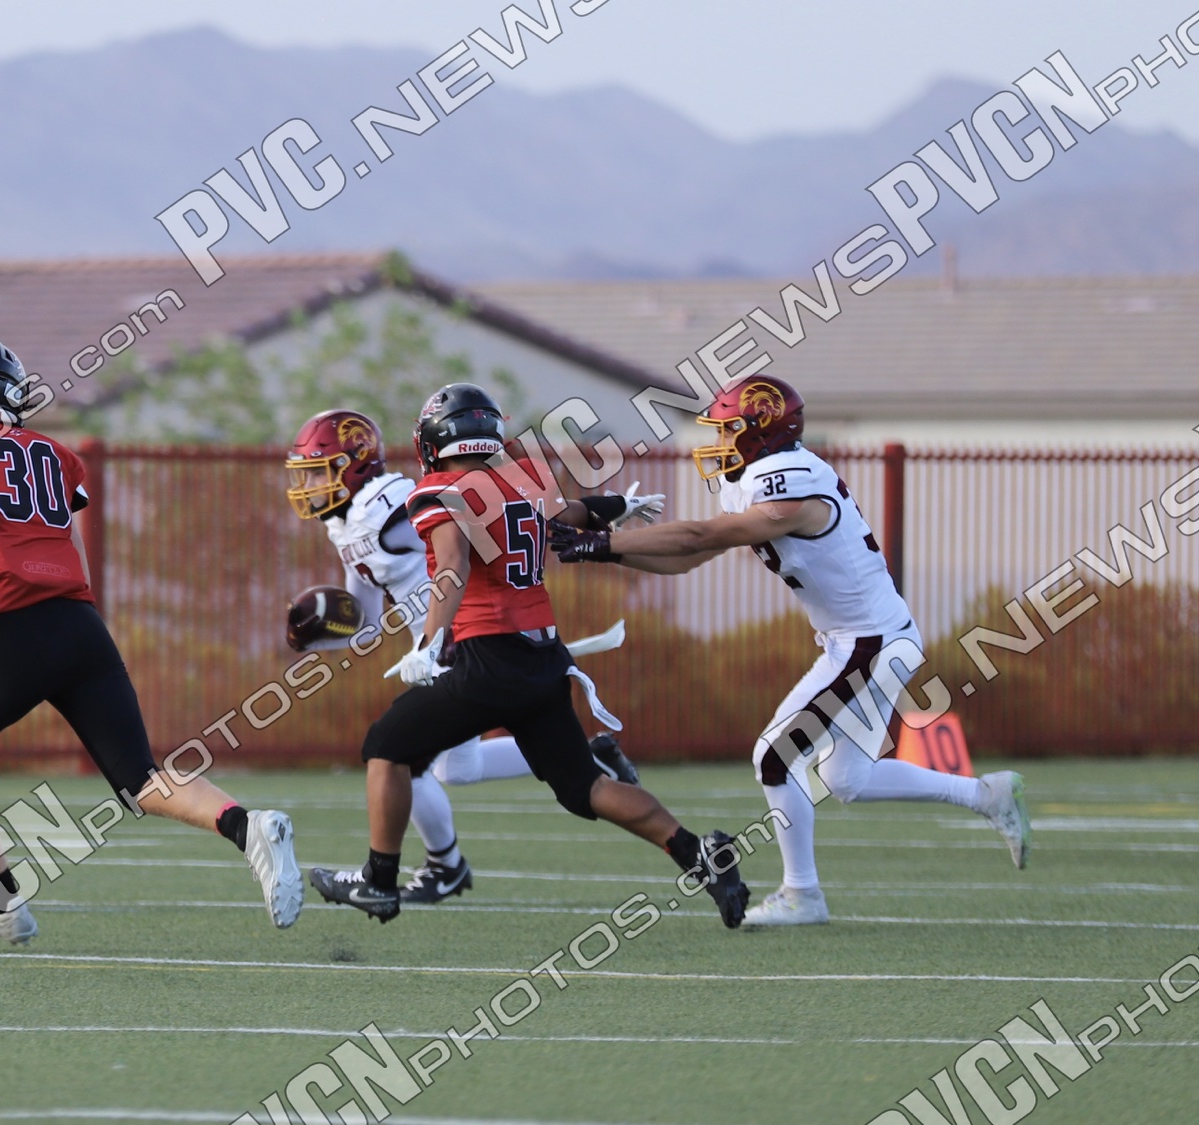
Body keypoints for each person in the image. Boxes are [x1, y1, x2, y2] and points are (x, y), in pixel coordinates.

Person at [548, 375, 1031, 927]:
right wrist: (605, 553)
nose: (718, 442)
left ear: (763, 431)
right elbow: (688, 559)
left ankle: (803, 894)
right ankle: (986, 795)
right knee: (847, 779)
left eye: (729, 429)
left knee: (774, 756)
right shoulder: (757, 480)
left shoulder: (790, 479)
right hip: (866, 639)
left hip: (870, 641)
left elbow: (700, 538)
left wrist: (604, 539)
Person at [0, 338, 303, 943]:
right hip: (81, 626)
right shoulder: (51, 453)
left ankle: (2, 902)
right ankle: (247, 825)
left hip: (14, 630)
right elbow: (64, 547)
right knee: (141, 779)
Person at [308, 384, 749, 926]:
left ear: (433, 441)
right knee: (585, 787)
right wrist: (620, 505)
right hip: (543, 655)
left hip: (487, 657)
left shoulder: (435, 491)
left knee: (386, 746)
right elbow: (572, 513)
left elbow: (453, 567)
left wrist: (429, 642)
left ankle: (379, 881)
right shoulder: (524, 476)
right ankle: (699, 854)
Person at [283, 407, 646, 905]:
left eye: (316, 471)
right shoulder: (348, 521)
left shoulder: (389, 504)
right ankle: (587, 759)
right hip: (435, 645)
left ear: (354, 466)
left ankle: (441, 866)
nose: (308, 485)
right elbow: (366, 620)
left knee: (401, 756)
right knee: (456, 768)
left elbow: (470, 537)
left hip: (461, 638)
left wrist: (590, 511)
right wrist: (317, 632)